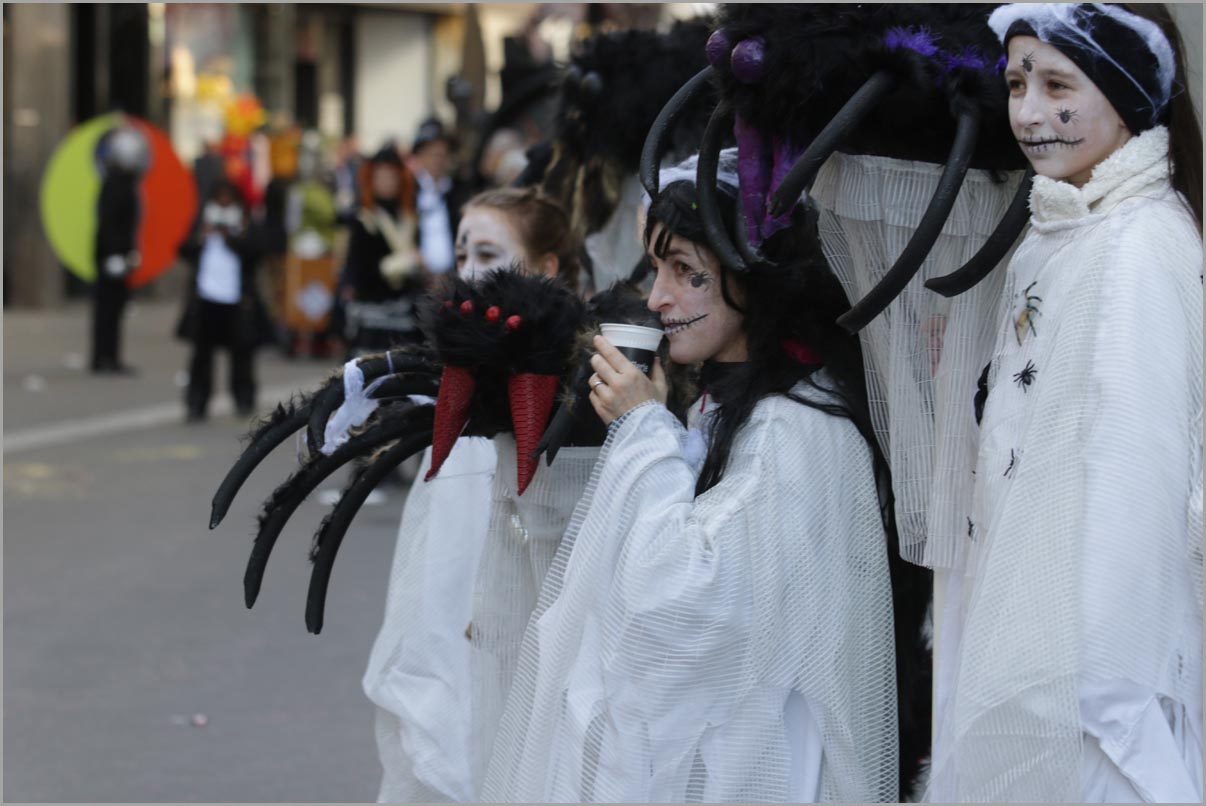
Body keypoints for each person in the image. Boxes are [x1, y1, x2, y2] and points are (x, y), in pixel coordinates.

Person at [479, 161, 924, 802]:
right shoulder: (730, 402)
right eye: (657, 269)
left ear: (754, 279)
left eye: (689, 274)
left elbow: (684, 605)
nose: (657, 299)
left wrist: (641, 430)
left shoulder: (793, 426)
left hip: (763, 759)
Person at [926, 4, 1203, 801]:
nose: (1028, 114)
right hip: (1037, 649)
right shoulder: (1064, 226)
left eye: (1057, 85)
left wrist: (1095, 693)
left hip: (1095, 688)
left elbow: (1137, 491)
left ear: (1128, 96)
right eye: (1017, 84)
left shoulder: (1139, 247)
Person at [362, 187, 589, 802]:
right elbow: (436, 552)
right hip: (452, 637)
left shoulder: (578, 392)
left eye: (488, 254)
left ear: (545, 267)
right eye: (462, 254)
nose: (468, 272)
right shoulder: (459, 385)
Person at [176, 180, 270, 421]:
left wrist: (231, 237)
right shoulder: (203, 221)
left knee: (242, 354)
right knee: (201, 355)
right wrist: (202, 236)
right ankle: (197, 402)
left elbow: (257, 252)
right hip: (206, 298)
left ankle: (243, 398)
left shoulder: (245, 222)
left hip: (237, 299)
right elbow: (183, 249)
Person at [341, 145, 424, 355]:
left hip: (404, 310)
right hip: (372, 310)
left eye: (392, 176)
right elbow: (360, 267)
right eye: (381, 177)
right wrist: (407, 261)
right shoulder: (364, 219)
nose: (387, 182)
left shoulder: (409, 218)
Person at [91, 124, 148, 375]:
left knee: (114, 307)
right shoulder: (116, 184)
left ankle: (109, 356)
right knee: (107, 308)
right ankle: (104, 357)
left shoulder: (123, 182)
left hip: (118, 254)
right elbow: (110, 223)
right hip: (110, 255)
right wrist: (114, 254)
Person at [409, 118, 464, 278]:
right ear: (420, 156)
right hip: (417, 279)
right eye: (433, 154)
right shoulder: (410, 191)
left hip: (453, 277)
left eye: (443, 155)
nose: (438, 160)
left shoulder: (458, 191)